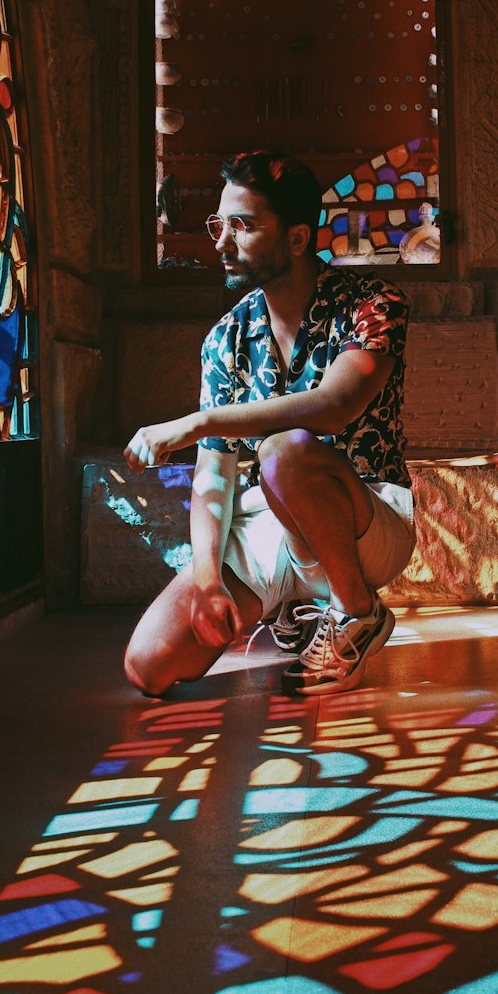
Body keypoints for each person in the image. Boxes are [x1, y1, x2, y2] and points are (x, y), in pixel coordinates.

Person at [123, 148, 415, 698]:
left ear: (298, 238)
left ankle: (356, 613)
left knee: (285, 452)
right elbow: (217, 470)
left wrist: (198, 421)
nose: (221, 242)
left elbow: (335, 404)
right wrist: (208, 578)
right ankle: (299, 608)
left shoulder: (374, 304)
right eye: (219, 224)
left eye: (242, 226)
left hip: (366, 520)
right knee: (149, 666)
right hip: (266, 526)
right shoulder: (226, 339)